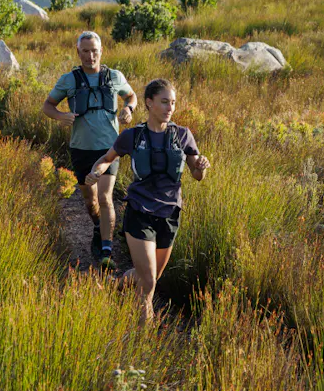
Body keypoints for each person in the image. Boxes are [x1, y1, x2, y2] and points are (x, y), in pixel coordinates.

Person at [86, 78, 210, 321]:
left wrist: (202, 167)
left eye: (173, 103)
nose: (169, 108)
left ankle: (116, 284)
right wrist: (97, 171)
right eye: (164, 102)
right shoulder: (132, 136)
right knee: (148, 283)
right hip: (139, 212)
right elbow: (107, 158)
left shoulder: (183, 135)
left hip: (169, 215)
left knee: (149, 275)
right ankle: (143, 341)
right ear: (149, 103)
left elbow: (197, 175)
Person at [42, 31, 137, 269]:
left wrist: (129, 109)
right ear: (78, 52)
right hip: (81, 149)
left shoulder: (114, 76)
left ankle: (106, 252)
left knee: (105, 198)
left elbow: (132, 95)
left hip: (109, 148)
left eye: (94, 50)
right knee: (90, 199)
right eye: (85, 51)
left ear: (101, 51)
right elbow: (48, 106)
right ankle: (98, 227)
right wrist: (60, 116)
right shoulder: (69, 80)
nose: (90, 55)